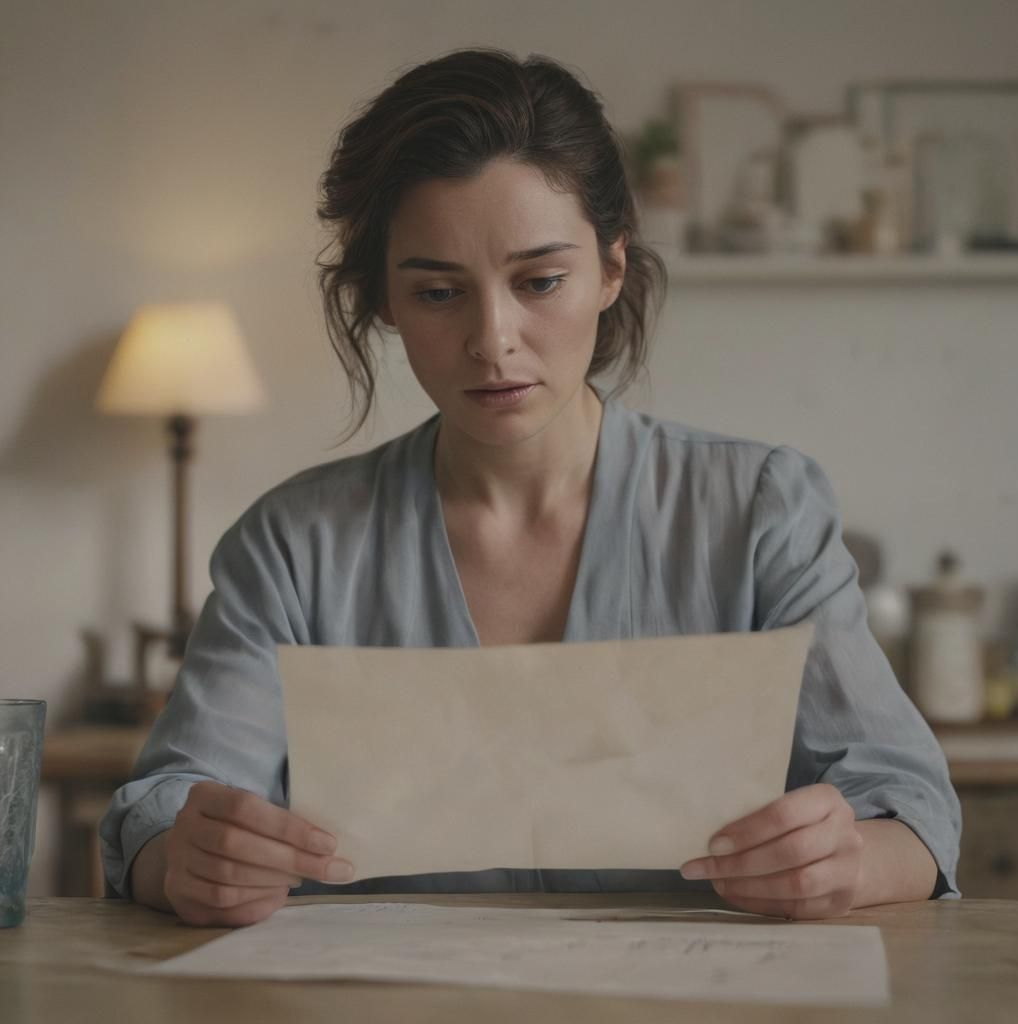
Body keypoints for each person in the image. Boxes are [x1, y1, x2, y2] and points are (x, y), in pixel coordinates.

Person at [100, 47, 960, 927]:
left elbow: (909, 808)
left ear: (611, 269)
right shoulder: (294, 544)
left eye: (540, 282)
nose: (493, 340)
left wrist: (847, 860)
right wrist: (187, 860)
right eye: (439, 292)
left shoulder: (757, 510)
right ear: (385, 303)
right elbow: (165, 809)